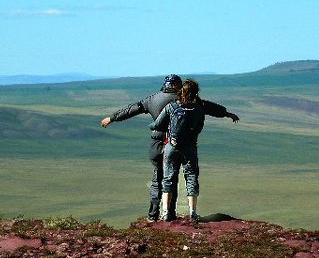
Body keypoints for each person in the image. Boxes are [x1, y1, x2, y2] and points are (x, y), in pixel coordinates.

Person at [100, 74, 239, 221]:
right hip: (179, 144)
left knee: (158, 178)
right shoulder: (186, 100)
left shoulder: (152, 99)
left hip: (158, 143)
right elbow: (209, 107)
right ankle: (170, 214)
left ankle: (153, 215)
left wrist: (112, 118)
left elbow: (132, 109)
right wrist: (226, 113)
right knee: (173, 178)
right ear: (180, 86)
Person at [151, 78, 207, 222]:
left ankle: (165, 213)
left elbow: (157, 124)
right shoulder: (200, 109)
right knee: (191, 178)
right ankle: (193, 212)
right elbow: (200, 127)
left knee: (168, 179)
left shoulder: (171, 107)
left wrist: (151, 127)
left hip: (172, 147)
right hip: (190, 148)